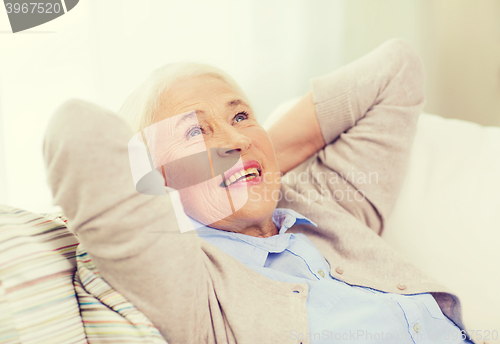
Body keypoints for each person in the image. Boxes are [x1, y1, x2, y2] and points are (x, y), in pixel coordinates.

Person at [43, 39, 473, 344]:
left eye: (242, 115)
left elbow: (397, 67)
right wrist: (213, 171)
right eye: (194, 130)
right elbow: (77, 130)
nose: (235, 138)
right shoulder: (190, 283)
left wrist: (254, 158)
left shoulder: (325, 205)